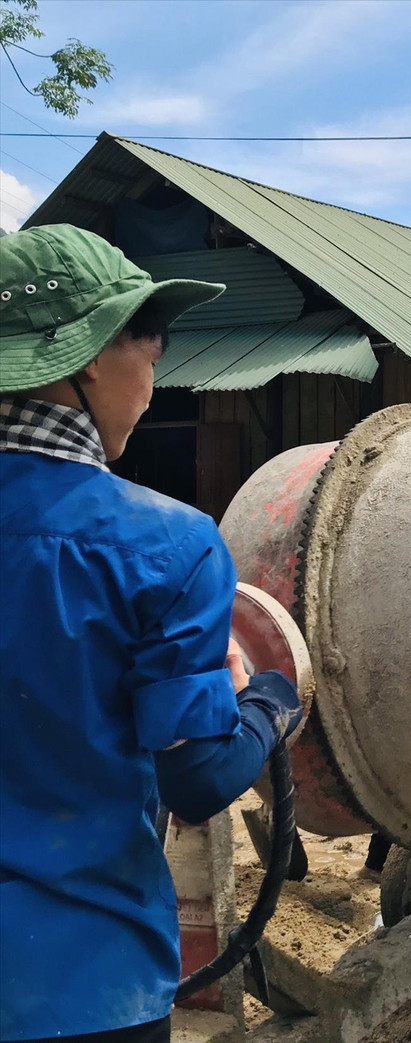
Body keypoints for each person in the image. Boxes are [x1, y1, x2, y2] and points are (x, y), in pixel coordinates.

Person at [0, 225, 303, 1043]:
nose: (153, 382)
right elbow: (198, 778)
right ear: (90, 356)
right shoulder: (165, 546)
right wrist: (273, 700)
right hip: (84, 982)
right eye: (152, 351)